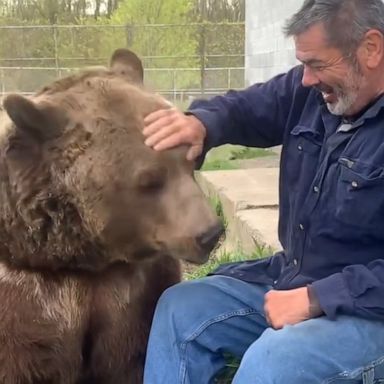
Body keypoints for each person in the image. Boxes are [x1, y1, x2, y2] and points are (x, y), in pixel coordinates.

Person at [142, 1, 384, 383]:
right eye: (303, 63)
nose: (306, 79)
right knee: (180, 308)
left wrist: (316, 299)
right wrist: (201, 125)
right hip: (292, 283)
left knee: (274, 363)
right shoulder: (310, 92)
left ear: (371, 48)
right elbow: (247, 107)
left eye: (318, 64)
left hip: (369, 311)